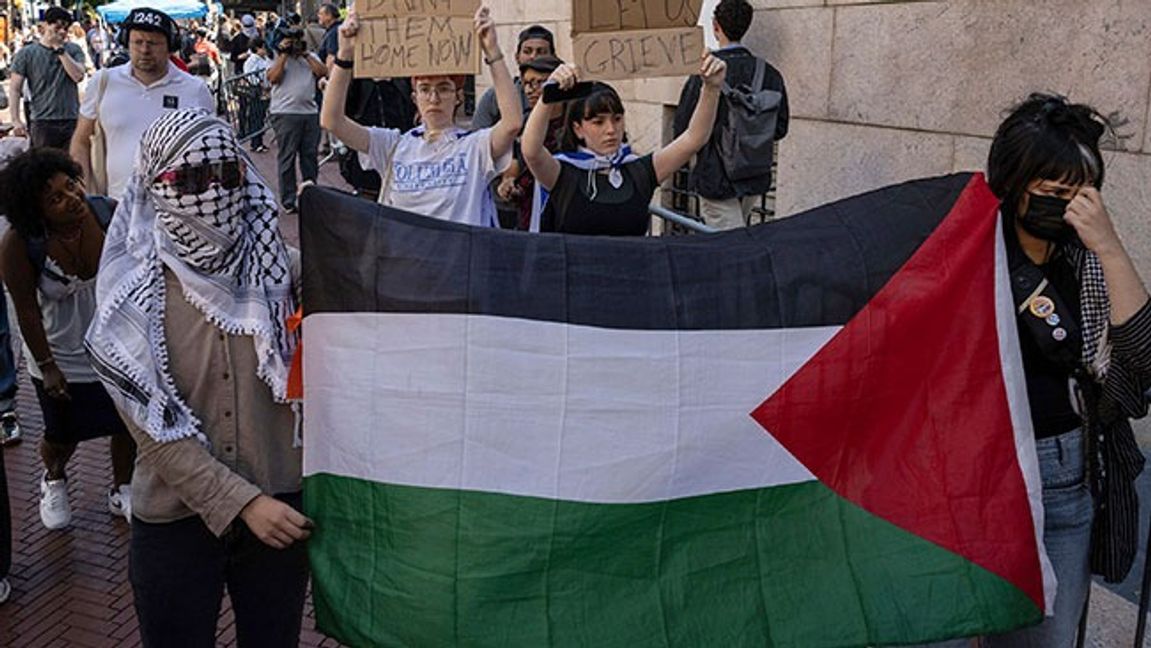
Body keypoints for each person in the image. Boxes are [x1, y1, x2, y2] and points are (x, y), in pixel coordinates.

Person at [86, 108, 307, 647]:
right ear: (152, 186)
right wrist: (242, 502)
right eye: (185, 180)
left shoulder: (289, 273)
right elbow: (152, 433)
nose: (209, 192)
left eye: (225, 176)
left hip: (279, 507)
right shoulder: (130, 297)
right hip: (175, 519)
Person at [980, 93, 1151, 647]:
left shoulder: (1085, 262)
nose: (1068, 205)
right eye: (1052, 191)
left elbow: (1142, 364)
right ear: (1013, 182)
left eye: (1081, 192)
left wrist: (1109, 245)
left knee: (1047, 635)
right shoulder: (968, 250)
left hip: (1064, 476)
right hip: (974, 469)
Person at [0, 147, 137, 529]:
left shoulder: (106, 211)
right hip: (60, 353)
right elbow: (26, 311)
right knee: (62, 433)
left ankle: (122, 488)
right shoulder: (18, 244)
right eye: (55, 198)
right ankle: (55, 477)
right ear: (35, 210)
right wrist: (48, 367)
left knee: (124, 423)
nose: (72, 199)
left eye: (71, 185)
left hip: (114, 344)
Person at [320, 7, 521, 226]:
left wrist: (492, 51)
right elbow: (332, 121)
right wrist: (345, 54)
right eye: (425, 89)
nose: (434, 98)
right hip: (406, 257)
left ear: (458, 97)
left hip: (459, 258)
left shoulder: (475, 147)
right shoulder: (392, 145)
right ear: (415, 97)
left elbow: (512, 123)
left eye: (444, 88)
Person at [521, 58, 726, 236]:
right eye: (598, 122)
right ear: (578, 129)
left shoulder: (639, 171)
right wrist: (548, 96)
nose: (611, 129)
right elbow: (531, 150)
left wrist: (711, 88)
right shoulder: (563, 173)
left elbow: (694, 138)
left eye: (617, 119)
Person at [70, 7, 214, 201]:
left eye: (153, 43)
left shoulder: (194, 89)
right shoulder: (103, 82)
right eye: (138, 42)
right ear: (126, 43)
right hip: (116, 207)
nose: (145, 50)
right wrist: (88, 197)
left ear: (170, 46)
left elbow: (212, 150)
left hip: (177, 211)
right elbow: (80, 141)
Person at [673, 0, 789, 230]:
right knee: (734, 240)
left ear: (715, 26)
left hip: (715, 178)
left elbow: (682, 129)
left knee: (728, 248)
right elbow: (780, 128)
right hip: (753, 175)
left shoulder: (704, 75)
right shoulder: (771, 74)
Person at [493, 55, 563, 230]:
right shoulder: (524, 123)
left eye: (540, 83)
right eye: (526, 83)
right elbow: (514, 164)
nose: (531, 90)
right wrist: (508, 183)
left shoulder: (574, 123)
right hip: (528, 217)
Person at [6, 6, 87, 149]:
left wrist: (60, 50)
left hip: (70, 118)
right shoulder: (27, 53)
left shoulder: (73, 50)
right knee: (43, 167)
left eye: (65, 28)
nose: (62, 32)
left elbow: (78, 76)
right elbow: (15, 88)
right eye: (57, 27)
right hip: (42, 120)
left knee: (71, 166)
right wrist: (15, 120)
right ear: (46, 26)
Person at [267, 23, 326, 213]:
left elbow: (322, 72)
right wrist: (284, 54)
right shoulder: (277, 59)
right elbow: (273, 78)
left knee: (309, 157)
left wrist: (305, 54)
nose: (294, 44)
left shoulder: (309, 57)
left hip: (309, 113)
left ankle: (310, 194)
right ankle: (289, 199)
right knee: (287, 157)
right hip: (285, 113)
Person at [471, 24, 553, 129]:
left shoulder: (561, 95)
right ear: (517, 57)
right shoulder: (495, 97)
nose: (533, 57)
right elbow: (477, 136)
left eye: (541, 52)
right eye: (527, 51)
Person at [242, 38, 271, 153]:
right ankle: (256, 143)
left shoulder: (262, 59)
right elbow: (252, 76)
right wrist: (261, 85)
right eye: (263, 48)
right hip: (257, 91)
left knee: (260, 116)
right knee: (256, 117)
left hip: (263, 90)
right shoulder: (253, 60)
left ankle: (259, 141)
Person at [315, 3, 341, 69]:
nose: (318, 16)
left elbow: (331, 58)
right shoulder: (334, 29)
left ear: (329, 16)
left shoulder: (333, 32)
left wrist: (328, 77)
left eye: (320, 14)